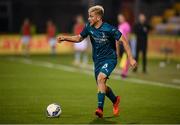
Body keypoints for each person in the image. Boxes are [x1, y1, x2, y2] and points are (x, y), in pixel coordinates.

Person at [57, 5, 136, 118]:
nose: (89, 18)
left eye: (91, 16)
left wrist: (131, 58)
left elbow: (124, 40)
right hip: (97, 61)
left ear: (98, 18)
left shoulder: (109, 28)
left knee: (100, 79)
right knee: (101, 84)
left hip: (110, 59)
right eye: (89, 16)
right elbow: (79, 38)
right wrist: (65, 38)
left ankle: (100, 109)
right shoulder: (89, 27)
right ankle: (115, 100)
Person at [117, 14, 131, 78]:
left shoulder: (126, 25)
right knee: (122, 57)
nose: (120, 19)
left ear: (124, 18)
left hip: (125, 43)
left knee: (126, 58)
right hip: (120, 43)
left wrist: (127, 44)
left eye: (121, 18)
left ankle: (124, 73)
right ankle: (124, 71)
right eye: (119, 18)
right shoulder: (119, 26)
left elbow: (128, 35)